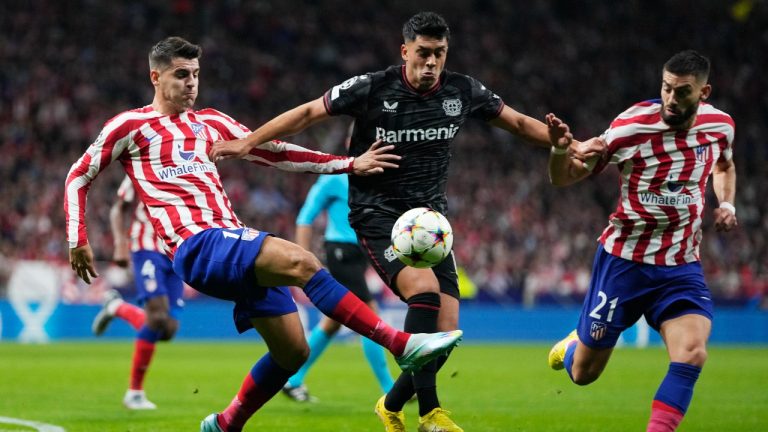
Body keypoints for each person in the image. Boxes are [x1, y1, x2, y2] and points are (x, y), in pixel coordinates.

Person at [210, 11, 601, 432]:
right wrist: (249, 141)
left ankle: (391, 404)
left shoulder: (461, 90)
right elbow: (307, 113)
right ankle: (430, 414)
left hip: (432, 224)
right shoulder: (372, 87)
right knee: (423, 289)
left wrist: (570, 144)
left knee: (448, 331)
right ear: (405, 51)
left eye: (439, 54)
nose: (431, 62)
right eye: (423, 53)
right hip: (379, 215)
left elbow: (520, 124)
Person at [64, 36, 463, 432]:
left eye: (196, 75)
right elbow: (79, 175)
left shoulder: (212, 123)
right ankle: (401, 345)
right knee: (301, 261)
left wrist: (349, 164)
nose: (191, 83)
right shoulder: (130, 126)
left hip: (228, 239)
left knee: (292, 352)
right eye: (181, 74)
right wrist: (77, 237)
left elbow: (277, 152)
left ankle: (224, 424)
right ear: (156, 76)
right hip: (195, 245)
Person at [546, 50, 737, 432]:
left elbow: (724, 164)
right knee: (583, 375)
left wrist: (727, 202)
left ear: (704, 92)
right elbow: (563, 178)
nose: (670, 99)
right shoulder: (630, 128)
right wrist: (559, 150)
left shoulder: (720, 126)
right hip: (624, 263)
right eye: (666, 88)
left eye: (682, 92)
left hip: (681, 266)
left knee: (692, 352)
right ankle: (573, 346)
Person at [282, 123, 395, 403]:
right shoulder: (334, 177)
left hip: (362, 254)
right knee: (371, 316)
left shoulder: (379, 179)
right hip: (340, 253)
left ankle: (292, 379)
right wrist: (303, 260)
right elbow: (305, 218)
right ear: (348, 142)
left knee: (332, 323)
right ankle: (390, 389)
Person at [90, 176, 185, 409]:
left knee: (167, 329)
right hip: (147, 247)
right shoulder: (143, 164)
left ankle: (116, 307)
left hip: (177, 251)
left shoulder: (193, 166)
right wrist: (120, 243)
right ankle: (134, 392)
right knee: (158, 317)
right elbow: (118, 209)